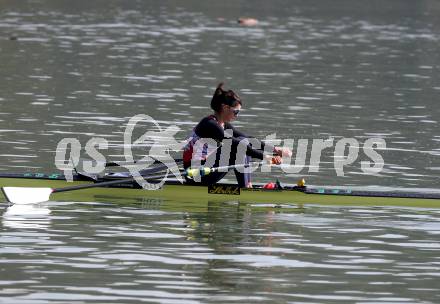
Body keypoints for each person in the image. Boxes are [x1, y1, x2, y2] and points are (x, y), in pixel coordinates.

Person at [183, 83, 291, 188]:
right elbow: (236, 144)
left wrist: (276, 150)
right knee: (237, 146)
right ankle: (246, 188)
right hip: (195, 175)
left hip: (205, 170)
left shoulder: (223, 125)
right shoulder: (209, 124)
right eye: (236, 112)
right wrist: (265, 157)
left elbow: (248, 140)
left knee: (243, 141)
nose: (237, 116)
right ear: (225, 107)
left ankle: (247, 185)